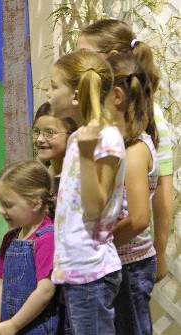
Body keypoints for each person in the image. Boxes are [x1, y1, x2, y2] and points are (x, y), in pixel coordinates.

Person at [77, 19, 173, 283]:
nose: (76, 61)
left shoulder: (146, 119)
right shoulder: (96, 114)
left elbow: (162, 191)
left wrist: (161, 250)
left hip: (126, 257)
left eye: (84, 54)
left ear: (113, 57)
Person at [47, 50, 126, 334]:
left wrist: (87, 153)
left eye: (54, 86)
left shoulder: (105, 138)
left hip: (91, 272)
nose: (48, 92)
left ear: (76, 96)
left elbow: (95, 208)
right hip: (75, 271)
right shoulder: (79, 137)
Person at [106, 55, 159, 335]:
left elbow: (138, 219)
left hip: (131, 266)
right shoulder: (122, 144)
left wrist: (99, 246)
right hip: (122, 263)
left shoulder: (135, 150)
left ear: (116, 96)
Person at [0, 160, 60, 335]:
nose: (1, 211)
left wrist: (14, 325)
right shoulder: (10, 238)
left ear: (35, 203)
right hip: (8, 325)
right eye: (0, 204)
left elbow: (46, 290)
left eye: (8, 205)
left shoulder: (47, 237)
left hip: (36, 328)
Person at [31, 102, 78, 198]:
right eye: (36, 131)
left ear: (72, 135)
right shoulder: (35, 179)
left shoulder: (80, 180)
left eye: (50, 132)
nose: (40, 139)